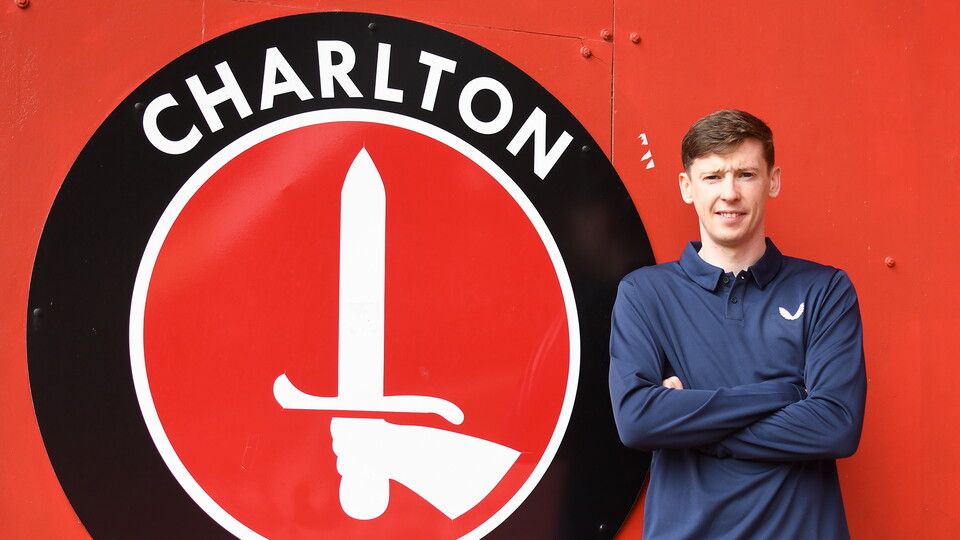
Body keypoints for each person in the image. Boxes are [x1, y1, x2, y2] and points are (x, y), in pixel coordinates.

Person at [608, 109, 866, 539]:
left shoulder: (825, 289)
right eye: (712, 177)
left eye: (745, 174)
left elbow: (836, 427)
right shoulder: (645, 294)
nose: (730, 193)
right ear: (687, 188)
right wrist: (785, 394)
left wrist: (689, 422)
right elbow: (637, 421)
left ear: (773, 181)